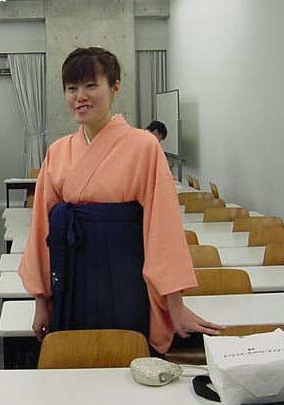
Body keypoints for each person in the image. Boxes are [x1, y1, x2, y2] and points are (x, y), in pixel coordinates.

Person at [18, 47, 221, 355]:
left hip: (125, 274)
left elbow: (162, 227)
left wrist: (174, 303)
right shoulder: (58, 151)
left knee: (128, 356)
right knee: (76, 362)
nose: (80, 96)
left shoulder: (144, 146)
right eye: (72, 88)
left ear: (115, 87)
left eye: (91, 85)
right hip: (70, 276)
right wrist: (41, 300)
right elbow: (41, 230)